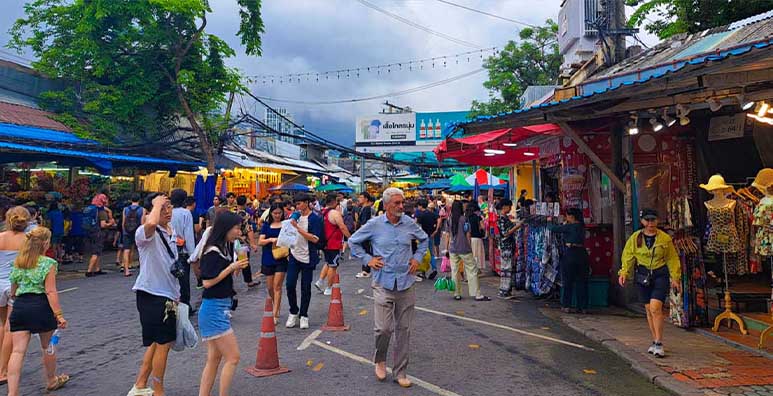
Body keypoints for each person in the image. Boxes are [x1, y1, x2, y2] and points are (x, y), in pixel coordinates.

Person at [349, 188, 427, 388]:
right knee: (383, 328)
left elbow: (424, 240)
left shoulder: (409, 223)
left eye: (402, 203)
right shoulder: (374, 225)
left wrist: (417, 258)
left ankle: (400, 371)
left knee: (404, 330)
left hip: (406, 282)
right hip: (383, 282)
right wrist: (368, 259)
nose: (401, 206)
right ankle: (380, 360)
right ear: (386, 205)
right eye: (397, 203)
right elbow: (353, 241)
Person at [127, 194, 180, 396]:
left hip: (168, 293)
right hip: (152, 294)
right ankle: (158, 391)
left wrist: (177, 294)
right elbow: (150, 223)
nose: (167, 211)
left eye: (169, 207)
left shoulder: (170, 231)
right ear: (151, 212)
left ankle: (140, 384)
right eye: (162, 208)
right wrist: (156, 205)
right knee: (163, 345)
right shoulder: (145, 233)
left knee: (157, 343)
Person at [7, 227, 69, 395]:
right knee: (47, 346)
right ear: (46, 243)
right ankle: (51, 379)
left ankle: (12, 392)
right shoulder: (48, 263)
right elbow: (50, 291)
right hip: (40, 305)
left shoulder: (19, 261)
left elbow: (13, 289)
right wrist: (59, 314)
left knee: (18, 350)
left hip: (20, 305)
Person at [197, 211, 249, 396]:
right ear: (226, 228)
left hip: (219, 307)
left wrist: (232, 270)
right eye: (236, 228)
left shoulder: (224, 247)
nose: (239, 231)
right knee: (233, 357)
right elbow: (207, 282)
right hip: (214, 309)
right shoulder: (212, 251)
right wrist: (231, 268)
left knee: (214, 358)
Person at [618, 208, 681, 358]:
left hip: (660, 275)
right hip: (643, 276)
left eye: (653, 220)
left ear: (657, 221)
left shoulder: (665, 239)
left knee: (655, 307)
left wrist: (675, 277)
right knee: (648, 309)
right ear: (642, 221)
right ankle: (654, 339)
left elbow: (672, 259)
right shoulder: (635, 238)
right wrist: (624, 273)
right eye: (647, 220)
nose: (650, 223)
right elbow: (628, 256)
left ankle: (659, 342)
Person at [0, 207, 30, 384]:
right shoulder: (27, 241)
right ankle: (2, 370)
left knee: (1, 323)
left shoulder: (0, 237)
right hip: (15, 285)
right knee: (10, 327)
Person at [285, 193, 323, 330]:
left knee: (305, 287)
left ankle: (304, 315)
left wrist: (298, 228)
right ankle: (293, 311)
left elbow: (315, 239)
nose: (298, 206)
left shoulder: (315, 219)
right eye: (296, 204)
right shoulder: (294, 217)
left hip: (308, 256)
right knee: (290, 284)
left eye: (300, 203)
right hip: (294, 255)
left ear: (307, 203)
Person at [549, 208, 589, 313]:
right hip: (582, 254)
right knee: (582, 282)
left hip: (570, 254)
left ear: (571, 216)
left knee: (568, 281)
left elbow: (553, 229)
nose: (566, 218)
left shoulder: (569, 227)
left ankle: (567, 305)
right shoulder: (581, 226)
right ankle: (583, 307)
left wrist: (549, 220)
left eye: (567, 216)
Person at [448, 201, 490, 302]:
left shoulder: (450, 219)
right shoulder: (464, 219)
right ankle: (477, 294)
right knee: (472, 270)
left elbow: (449, 235)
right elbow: (468, 234)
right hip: (464, 248)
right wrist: (469, 246)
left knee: (455, 271)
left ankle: (456, 293)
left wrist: (447, 247)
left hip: (453, 249)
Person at [258, 203, 288, 324]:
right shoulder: (266, 225)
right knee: (270, 287)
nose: (277, 215)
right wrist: (270, 240)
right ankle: (276, 303)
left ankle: (275, 313)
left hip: (281, 258)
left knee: (277, 286)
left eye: (279, 213)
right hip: (268, 257)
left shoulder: (285, 225)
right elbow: (260, 241)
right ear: (271, 213)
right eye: (275, 213)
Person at [315, 194, 351, 296]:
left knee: (328, 262)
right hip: (333, 244)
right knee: (333, 265)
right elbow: (342, 227)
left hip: (324, 243)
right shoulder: (334, 213)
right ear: (334, 202)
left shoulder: (322, 212)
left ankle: (320, 281)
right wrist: (351, 238)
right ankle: (329, 287)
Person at [171, 189, 197, 308]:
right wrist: (192, 254)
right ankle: (185, 304)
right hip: (182, 251)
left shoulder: (168, 212)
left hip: (169, 249)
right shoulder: (185, 213)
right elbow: (189, 234)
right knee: (183, 279)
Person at [496, 199, 522, 299]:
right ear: (504, 207)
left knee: (508, 268)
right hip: (505, 246)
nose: (511, 209)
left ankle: (507, 290)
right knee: (506, 269)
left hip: (508, 246)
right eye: (509, 207)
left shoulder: (505, 218)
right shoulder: (502, 218)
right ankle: (504, 291)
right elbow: (505, 233)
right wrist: (517, 226)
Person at [85, 194, 115, 277]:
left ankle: (97, 269)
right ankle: (89, 270)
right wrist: (110, 223)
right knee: (96, 252)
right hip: (98, 233)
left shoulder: (91, 209)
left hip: (90, 232)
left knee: (96, 251)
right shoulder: (101, 212)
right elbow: (103, 225)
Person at [234, 196, 260, 288]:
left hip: (232, 240)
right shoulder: (245, 215)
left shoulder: (233, 213)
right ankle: (248, 281)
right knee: (244, 261)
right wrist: (253, 244)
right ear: (245, 203)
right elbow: (249, 230)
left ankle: (247, 279)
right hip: (242, 241)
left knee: (240, 260)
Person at [414, 199, 440, 280]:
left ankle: (423, 272)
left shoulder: (420, 216)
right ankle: (434, 268)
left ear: (421, 206)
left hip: (422, 238)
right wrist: (436, 230)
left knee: (422, 254)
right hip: (430, 235)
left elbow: (415, 226)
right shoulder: (432, 214)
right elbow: (439, 219)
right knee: (431, 254)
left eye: (418, 206)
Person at [122, 194, 145, 277]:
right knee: (140, 249)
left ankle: (126, 270)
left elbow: (123, 222)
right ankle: (142, 268)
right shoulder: (142, 209)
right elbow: (142, 223)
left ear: (131, 200)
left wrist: (124, 231)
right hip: (137, 231)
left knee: (126, 250)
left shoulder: (125, 209)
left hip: (127, 231)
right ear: (139, 200)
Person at [354, 192, 375, 279]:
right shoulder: (363, 208)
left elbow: (364, 223)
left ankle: (366, 271)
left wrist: (361, 234)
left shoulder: (366, 208)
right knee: (365, 250)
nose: (359, 199)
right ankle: (365, 270)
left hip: (365, 234)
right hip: (363, 233)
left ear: (366, 199)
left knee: (366, 251)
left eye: (361, 197)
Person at [467, 202, 487, 271]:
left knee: (471, 255)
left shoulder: (467, 217)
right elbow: (483, 227)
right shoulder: (478, 217)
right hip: (477, 239)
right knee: (477, 255)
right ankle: (477, 270)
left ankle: (471, 269)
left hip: (469, 239)